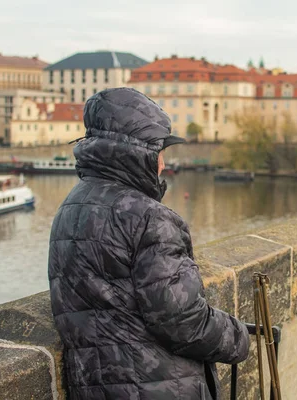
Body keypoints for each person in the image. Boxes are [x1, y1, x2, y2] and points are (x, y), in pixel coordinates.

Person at [48, 88, 250, 400]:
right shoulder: (148, 217)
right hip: (158, 387)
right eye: (160, 151)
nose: (164, 164)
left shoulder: (70, 206)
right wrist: (238, 337)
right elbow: (181, 320)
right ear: (138, 153)